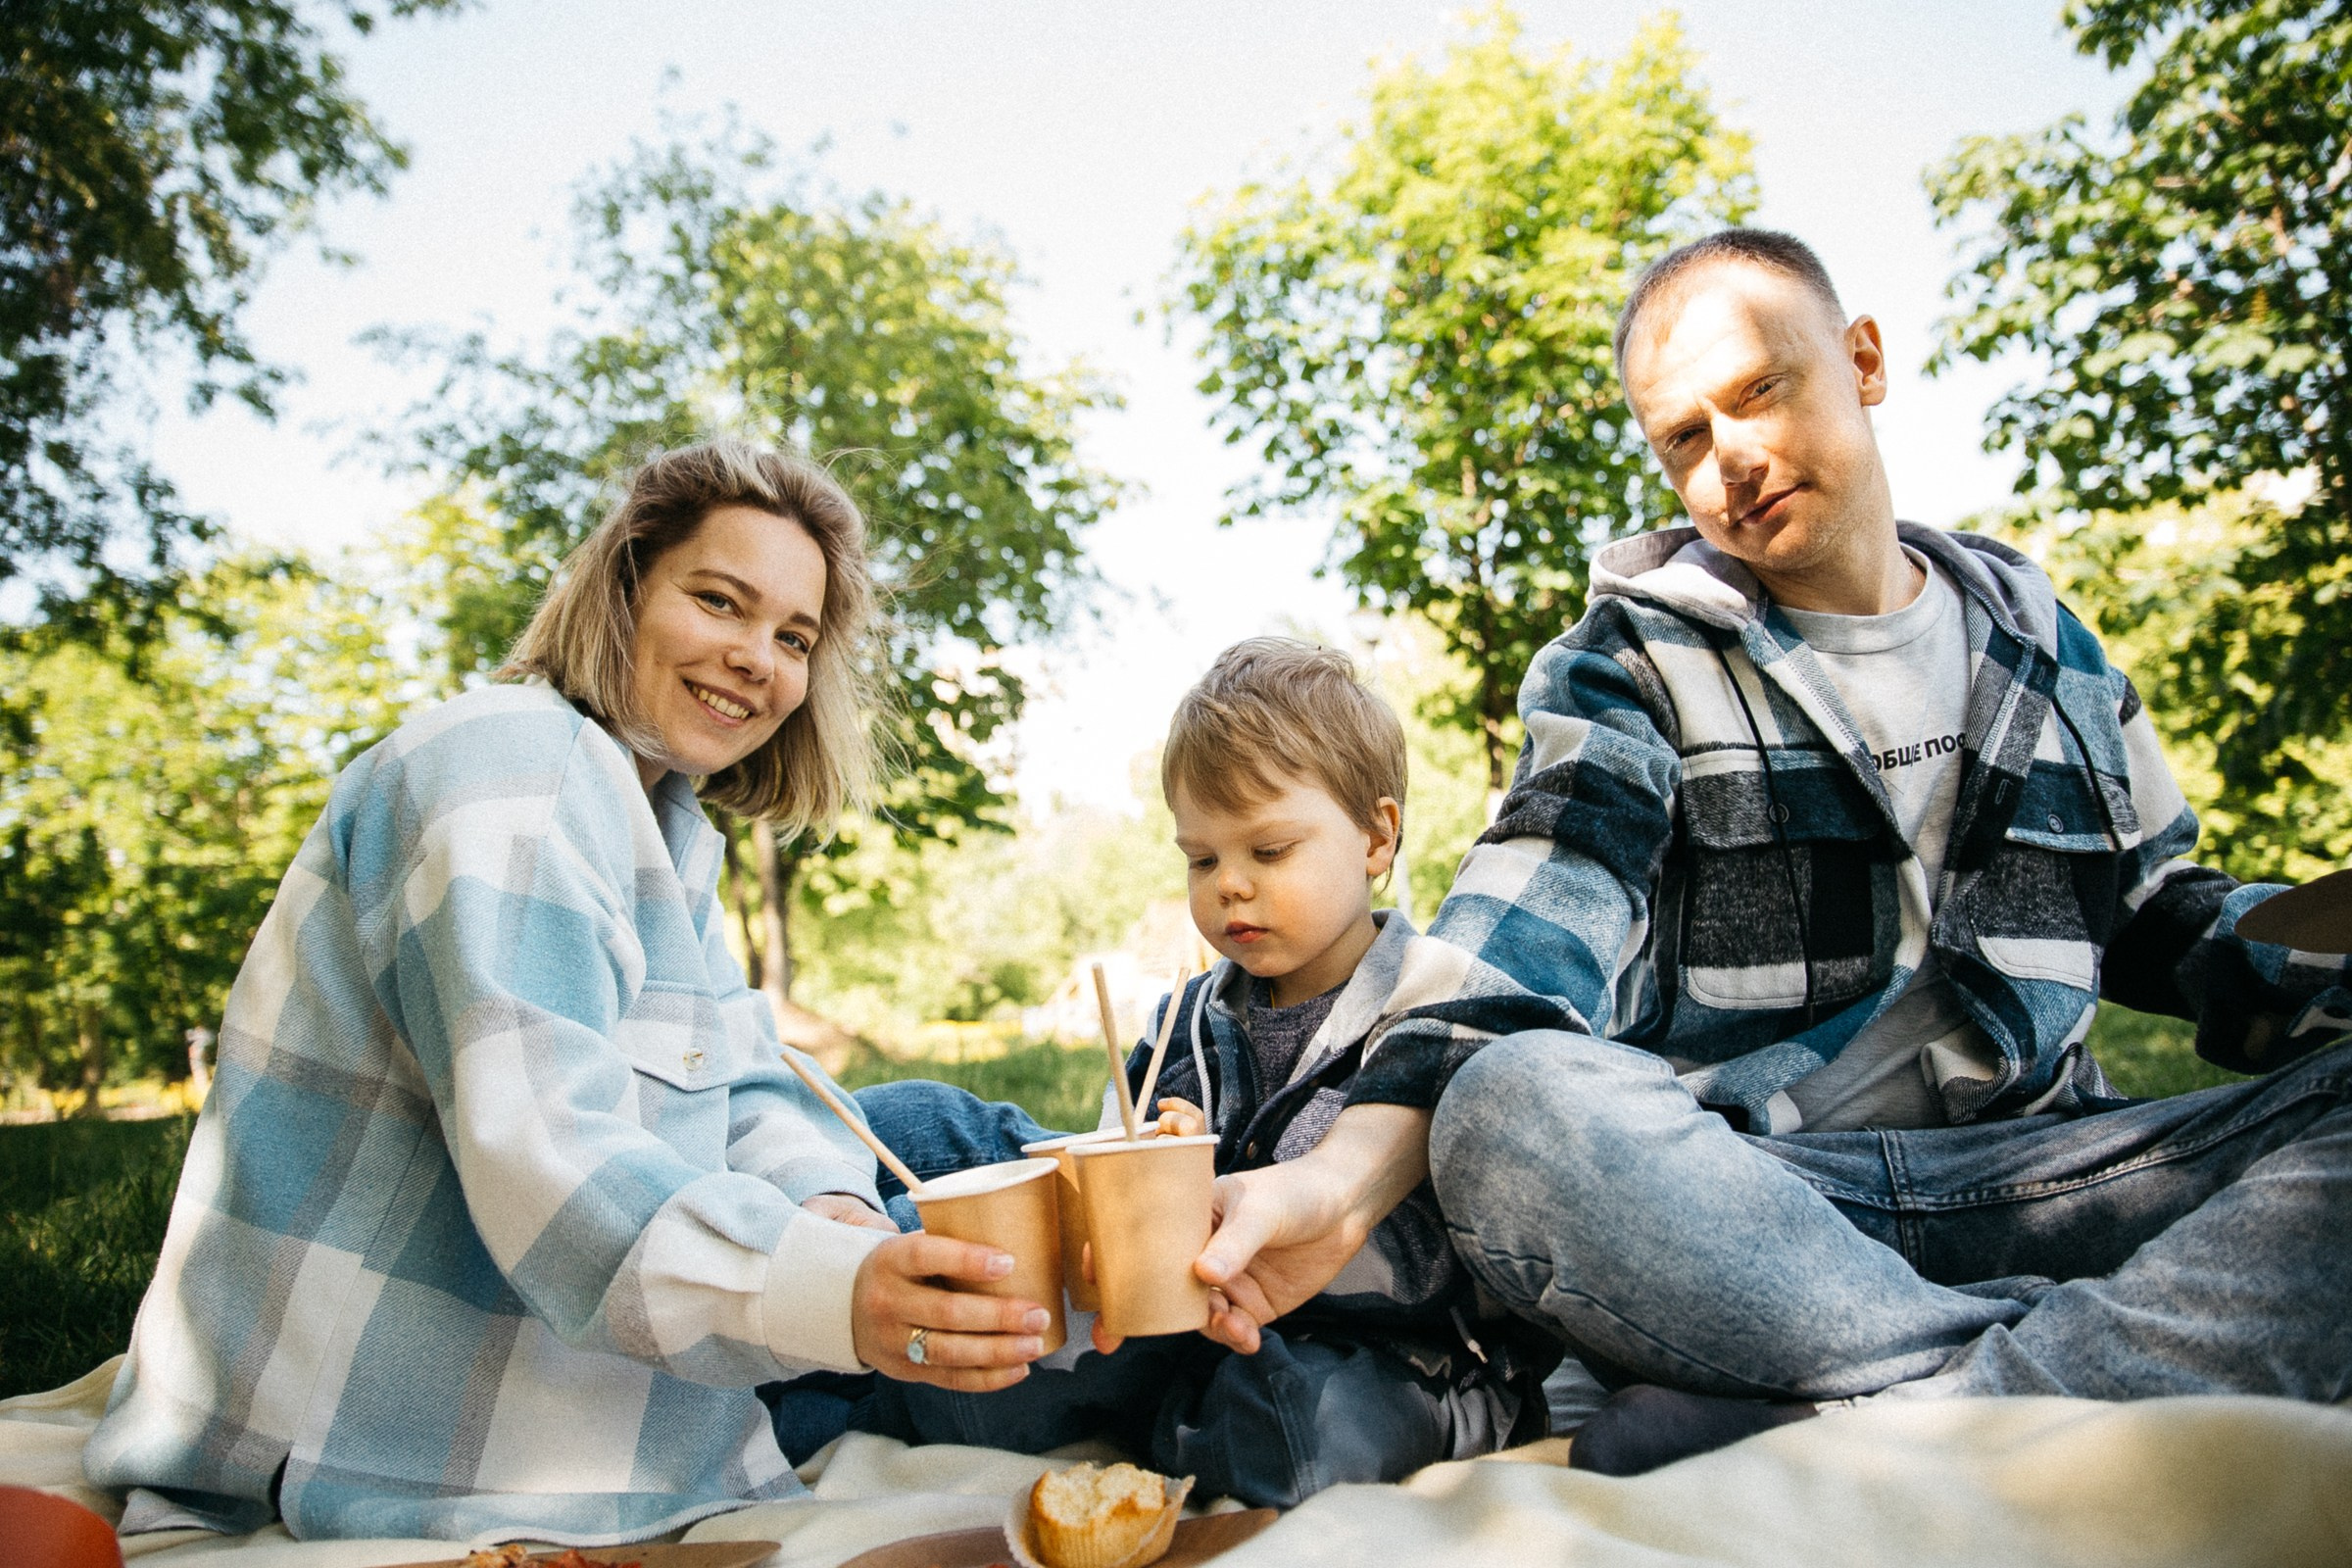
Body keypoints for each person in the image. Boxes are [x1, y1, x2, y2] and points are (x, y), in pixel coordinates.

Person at [1281, 227, 2351, 1474]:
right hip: (1759, 1219)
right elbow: (1536, 909)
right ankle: (2077, 1374)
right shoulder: (1629, 664)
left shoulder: (2054, 652)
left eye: (1759, 391)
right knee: (1508, 1106)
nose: (1730, 455)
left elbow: (2165, 914)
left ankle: (1908, 1408)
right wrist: (1337, 1181)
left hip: (2053, 1177)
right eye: (1685, 438)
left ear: (1865, 362)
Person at [84, 441, 1052, 1544]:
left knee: (929, 1128)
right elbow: (551, 1164)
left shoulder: (661, 822)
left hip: (653, 1335)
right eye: (720, 601)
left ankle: (1190, 1221)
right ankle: (1201, 1289)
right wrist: (845, 1293)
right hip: (440, 1439)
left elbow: (742, 1080)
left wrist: (836, 1215)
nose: (756, 659)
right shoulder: (513, 775)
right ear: (624, 587)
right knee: (1036, 1283)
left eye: (794, 637)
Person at [820, 639, 1553, 1506]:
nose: (1228, 886)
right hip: (1179, 1323)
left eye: (1269, 851)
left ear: (1376, 834)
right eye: (1202, 859)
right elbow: (1112, 1183)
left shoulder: (1434, 1004)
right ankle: (831, 1311)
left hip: (1382, 1344)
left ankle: (1424, 1412)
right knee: (962, 1323)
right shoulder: (1189, 1019)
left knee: (1289, 1436)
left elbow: (1441, 1243)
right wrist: (1130, 1185)